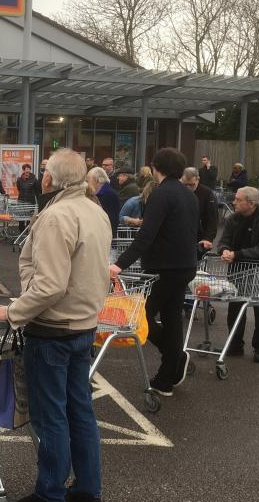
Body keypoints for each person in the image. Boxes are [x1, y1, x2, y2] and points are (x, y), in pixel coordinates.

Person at [0, 148, 111, 502]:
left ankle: (51, 495)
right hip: (83, 325)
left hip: (53, 329)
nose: (41, 176)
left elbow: (51, 286)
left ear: (53, 179)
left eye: (44, 171)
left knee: (51, 415)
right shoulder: (95, 211)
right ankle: (88, 492)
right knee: (80, 411)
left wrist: (11, 312)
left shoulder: (57, 216)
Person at [111, 148, 199, 397]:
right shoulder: (188, 195)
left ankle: (174, 358)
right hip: (185, 266)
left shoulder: (161, 195)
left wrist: (119, 265)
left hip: (163, 268)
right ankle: (167, 376)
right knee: (172, 321)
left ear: (156, 167)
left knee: (141, 318)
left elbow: (145, 236)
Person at [218, 187, 259, 361]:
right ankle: (235, 344)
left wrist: (237, 254)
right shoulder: (233, 219)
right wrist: (224, 250)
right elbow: (224, 240)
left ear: (251, 203)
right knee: (235, 305)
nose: (234, 202)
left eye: (238, 200)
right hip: (238, 268)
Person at [182, 167, 218, 251]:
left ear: (198, 179)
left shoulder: (207, 193)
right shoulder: (180, 191)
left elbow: (212, 218)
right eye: (185, 184)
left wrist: (208, 238)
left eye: (191, 184)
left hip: (200, 237)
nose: (188, 187)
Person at [87, 167, 120, 235]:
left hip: (104, 234)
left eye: (88, 180)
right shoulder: (104, 193)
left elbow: (110, 218)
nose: (87, 184)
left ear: (97, 180)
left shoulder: (108, 194)